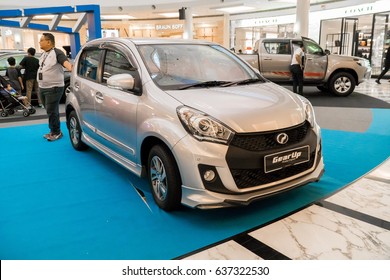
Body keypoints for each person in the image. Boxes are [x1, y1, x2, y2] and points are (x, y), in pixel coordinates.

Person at [38, 32, 72, 142]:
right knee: (49, 111)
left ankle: (57, 132)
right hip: (43, 87)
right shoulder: (44, 54)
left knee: (52, 111)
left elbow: (65, 62)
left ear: (48, 42)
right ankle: (53, 130)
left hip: (54, 88)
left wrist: (71, 67)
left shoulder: (57, 52)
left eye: (41, 40)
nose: (40, 42)